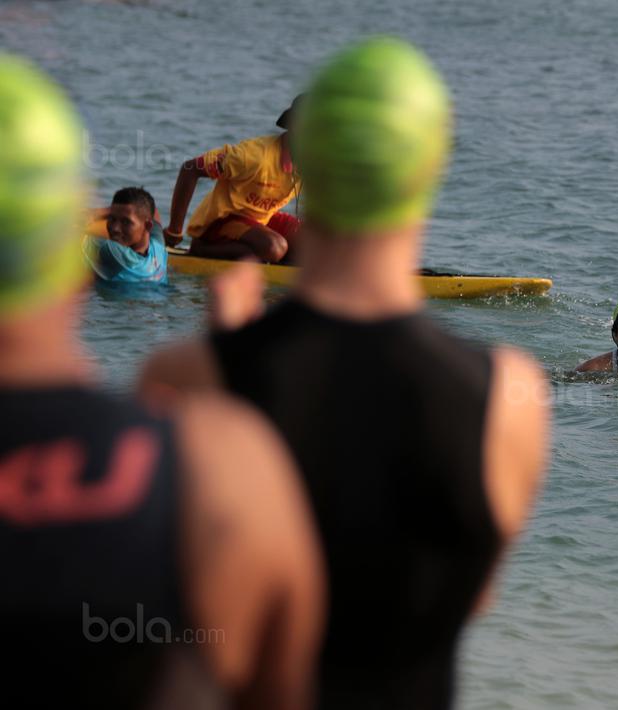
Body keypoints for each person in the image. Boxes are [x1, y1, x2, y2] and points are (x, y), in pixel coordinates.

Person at [140, 37, 551, 710]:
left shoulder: (185, 372)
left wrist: (229, 362)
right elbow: (471, 596)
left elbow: (176, 599)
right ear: (428, 173)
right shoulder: (512, 394)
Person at [0, 54, 324, 709]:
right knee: (275, 249)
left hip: (252, 241)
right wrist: (176, 233)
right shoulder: (204, 450)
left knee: (299, 242)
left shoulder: (299, 170)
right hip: (217, 240)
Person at [163, 95, 303, 262]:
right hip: (222, 222)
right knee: (275, 247)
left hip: (263, 219)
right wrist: (174, 231)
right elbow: (190, 169)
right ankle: (201, 248)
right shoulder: (253, 156)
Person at [83, 186, 169, 284]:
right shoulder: (158, 247)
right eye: (112, 219)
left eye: (126, 222)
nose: (115, 228)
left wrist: (97, 214)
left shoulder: (112, 252)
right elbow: (154, 211)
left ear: (147, 225)